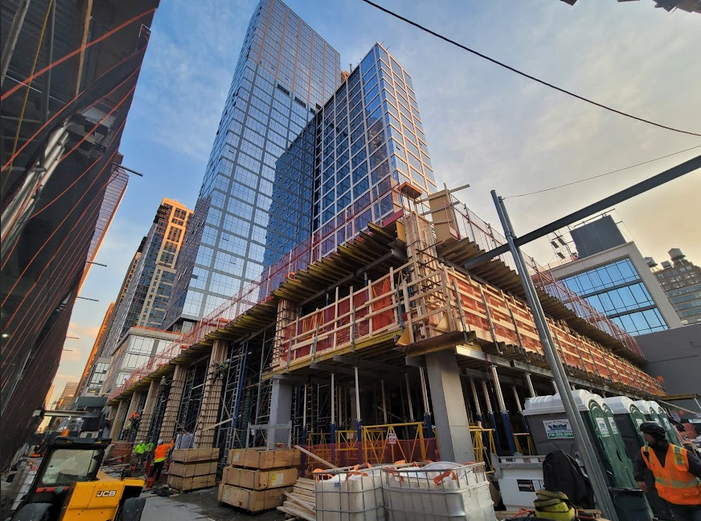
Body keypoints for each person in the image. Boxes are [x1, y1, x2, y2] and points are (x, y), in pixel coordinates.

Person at [634, 421, 701, 521]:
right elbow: (638, 463)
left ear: (655, 436)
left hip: (695, 502)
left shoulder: (681, 454)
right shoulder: (646, 452)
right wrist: (639, 479)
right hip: (673, 502)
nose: (645, 437)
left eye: (647, 435)